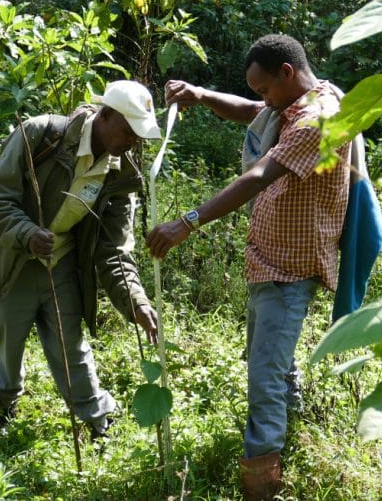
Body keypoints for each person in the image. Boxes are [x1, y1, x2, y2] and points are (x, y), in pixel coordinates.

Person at [147, 35, 350, 501]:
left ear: (286, 73)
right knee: (273, 359)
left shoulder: (317, 119)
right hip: (270, 261)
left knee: (264, 376)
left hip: (289, 267)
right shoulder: (298, 101)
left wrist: (187, 222)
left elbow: (260, 174)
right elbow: (251, 112)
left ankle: (262, 478)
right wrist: (200, 95)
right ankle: (296, 423)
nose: (262, 101)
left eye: (264, 89)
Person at [0, 80, 160, 440]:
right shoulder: (41, 133)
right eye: (129, 129)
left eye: (140, 133)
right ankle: (5, 405)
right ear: (105, 115)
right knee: (7, 344)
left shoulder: (120, 177)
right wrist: (26, 233)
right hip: (8, 261)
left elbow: (114, 249)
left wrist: (135, 299)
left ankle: (97, 421)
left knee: (70, 345)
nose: (134, 140)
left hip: (62, 266)